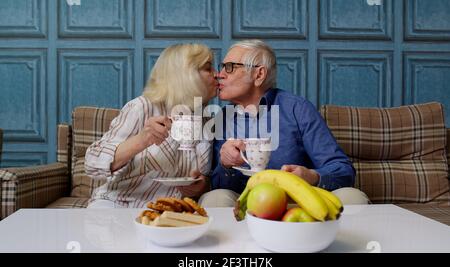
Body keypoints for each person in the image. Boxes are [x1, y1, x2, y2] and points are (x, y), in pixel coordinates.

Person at [199, 40, 369, 207]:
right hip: (246, 202)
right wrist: (226, 165)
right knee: (215, 199)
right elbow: (218, 183)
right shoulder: (223, 117)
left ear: (259, 74)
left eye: (230, 67)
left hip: (297, 201)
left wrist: (312, 176)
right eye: (222, 67)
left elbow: (343, 169)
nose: (220, 74)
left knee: (352, 197)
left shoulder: (297, 109)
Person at [84, 43, 218, 208]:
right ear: (186, 75)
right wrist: (142, 140)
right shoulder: (142, 107)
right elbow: (91, 162)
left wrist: (200, 186)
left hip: (172, 210)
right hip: (120, 203)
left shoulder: (205, 119)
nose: (216, 75)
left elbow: (202, 180)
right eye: (208, 69)